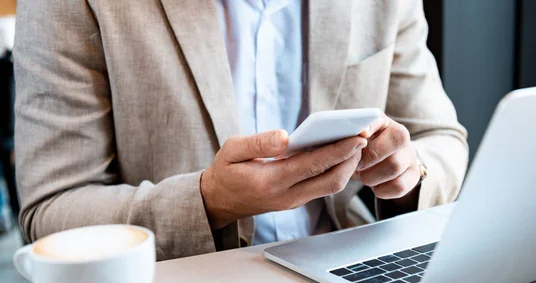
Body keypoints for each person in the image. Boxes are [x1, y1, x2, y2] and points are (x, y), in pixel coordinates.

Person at [14, 0, 468, 261]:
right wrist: (209, 201)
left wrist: (408, 175)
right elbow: (50, 211)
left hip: (351, 269)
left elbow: (442, 138)